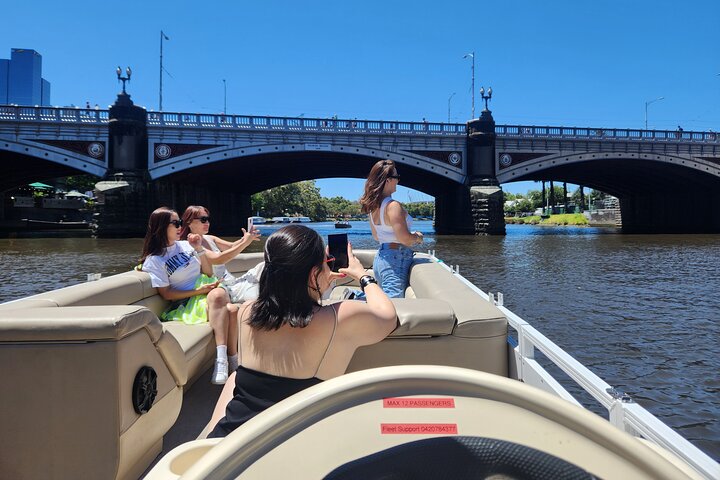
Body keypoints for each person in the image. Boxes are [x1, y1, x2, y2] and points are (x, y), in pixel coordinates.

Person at [207, 225, 397, 438]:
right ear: (314, 272)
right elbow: (388, 316)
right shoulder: (341, 317)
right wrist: (363, 276)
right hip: (291, 447)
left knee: (234, 377)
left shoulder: (245, 311)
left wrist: (318, 280)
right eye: (325, 262)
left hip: (227, 442)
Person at [140, 206, 236, 385]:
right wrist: (200, 291)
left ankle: (223, 362)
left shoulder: (186, 245)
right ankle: (231, 361)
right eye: (175, 223)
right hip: (187, 300)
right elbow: (167, 294)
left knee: (218, 297)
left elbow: (207, 272)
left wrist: (199, 248)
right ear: (161, 227)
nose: (180, 227)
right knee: (230, 310)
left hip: (206, 289)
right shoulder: (155, 260)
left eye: (180, 223)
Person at [359, 160, 423, 298]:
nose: (398, 180)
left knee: (384, 297)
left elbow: (377, 236)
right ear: (387, 181)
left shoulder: (373, 207)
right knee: (393, 301)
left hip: (381, 258)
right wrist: (417, 237)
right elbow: (404, 238)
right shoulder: (393, 206)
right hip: (395, 258)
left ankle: (357, 298)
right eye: (396, 177)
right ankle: (356, 298)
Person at [180, 205, 262, 304]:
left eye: (208, 219)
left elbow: (231, 246)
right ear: (189, 222)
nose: (207, 223)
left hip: (233, 282)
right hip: (221, 288)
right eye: (203, 219)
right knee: (261, 294)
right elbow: (219, 259)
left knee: (264, 266)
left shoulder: (209, 238)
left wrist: (246, 238)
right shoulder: (191, 245)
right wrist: (245, 242)